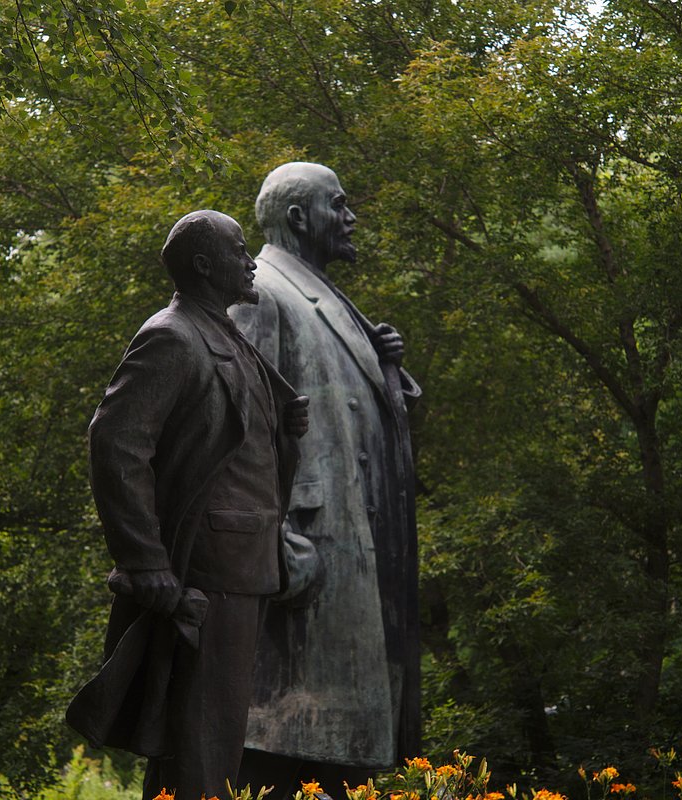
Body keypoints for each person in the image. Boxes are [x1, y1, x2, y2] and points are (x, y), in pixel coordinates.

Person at [67, 210, 309, 800]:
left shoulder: (226, 336)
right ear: (204, 265)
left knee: (212, 743)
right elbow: (116, 441)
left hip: (247, 566)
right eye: (240, 249)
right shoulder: (172, 336)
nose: (251, 261)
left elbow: (234, 446)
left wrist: (284, 428)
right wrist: (146, 562)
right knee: (202, 745)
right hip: (207, 571)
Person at [229, 162, 421, 794]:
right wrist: (280, 551)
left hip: (356, 557)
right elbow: (239, 437)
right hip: (309, 564)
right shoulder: (260, 293)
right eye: (338, 206)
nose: (350, 217)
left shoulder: (323, 294)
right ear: (298, 217)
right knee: (284, 752)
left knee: (342, 758)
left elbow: (351, 413)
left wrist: (387, 370)